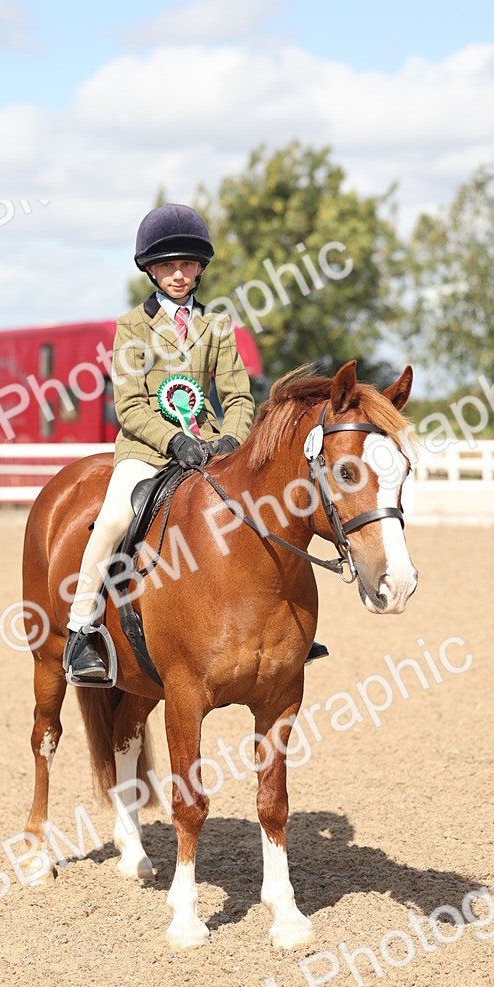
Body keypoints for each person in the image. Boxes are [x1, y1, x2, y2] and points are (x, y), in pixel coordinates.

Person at [63, 202, 327, 684]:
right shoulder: (132, 328)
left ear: (200, 267)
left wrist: (231, 436)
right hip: (146, 451)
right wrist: (173, 440)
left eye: (186, 264)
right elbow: (130, 405)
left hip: (209, 450)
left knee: (263, 511)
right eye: (167, 265)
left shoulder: (218, 327)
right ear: (151, 270)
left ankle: (283, 627)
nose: (178, 274)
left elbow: (239, 395)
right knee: (115, 518)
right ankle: (82, 629)